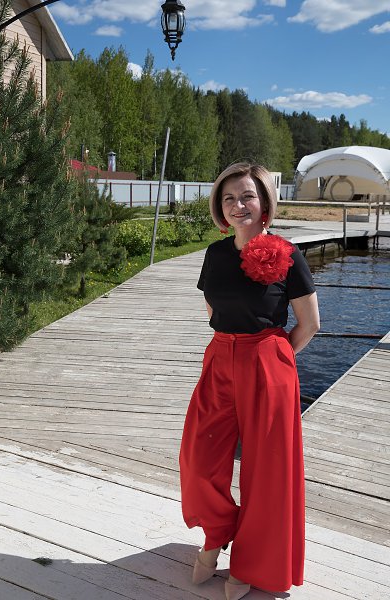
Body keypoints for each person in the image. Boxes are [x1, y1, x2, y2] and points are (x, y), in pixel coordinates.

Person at [179, 162, 320, 600]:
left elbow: (309, 324)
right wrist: (232, 346)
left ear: (264, 204)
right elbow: (213, 309)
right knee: (198, 459)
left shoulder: (289, 254)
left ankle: (253, 563)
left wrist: (274, 359)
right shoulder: (215, 254)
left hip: (268, 363)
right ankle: (218, 531)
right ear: (219, 207)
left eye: (247, 196)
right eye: (228, 198)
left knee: (267, 471)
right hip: (220, 358)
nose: (237, 205)